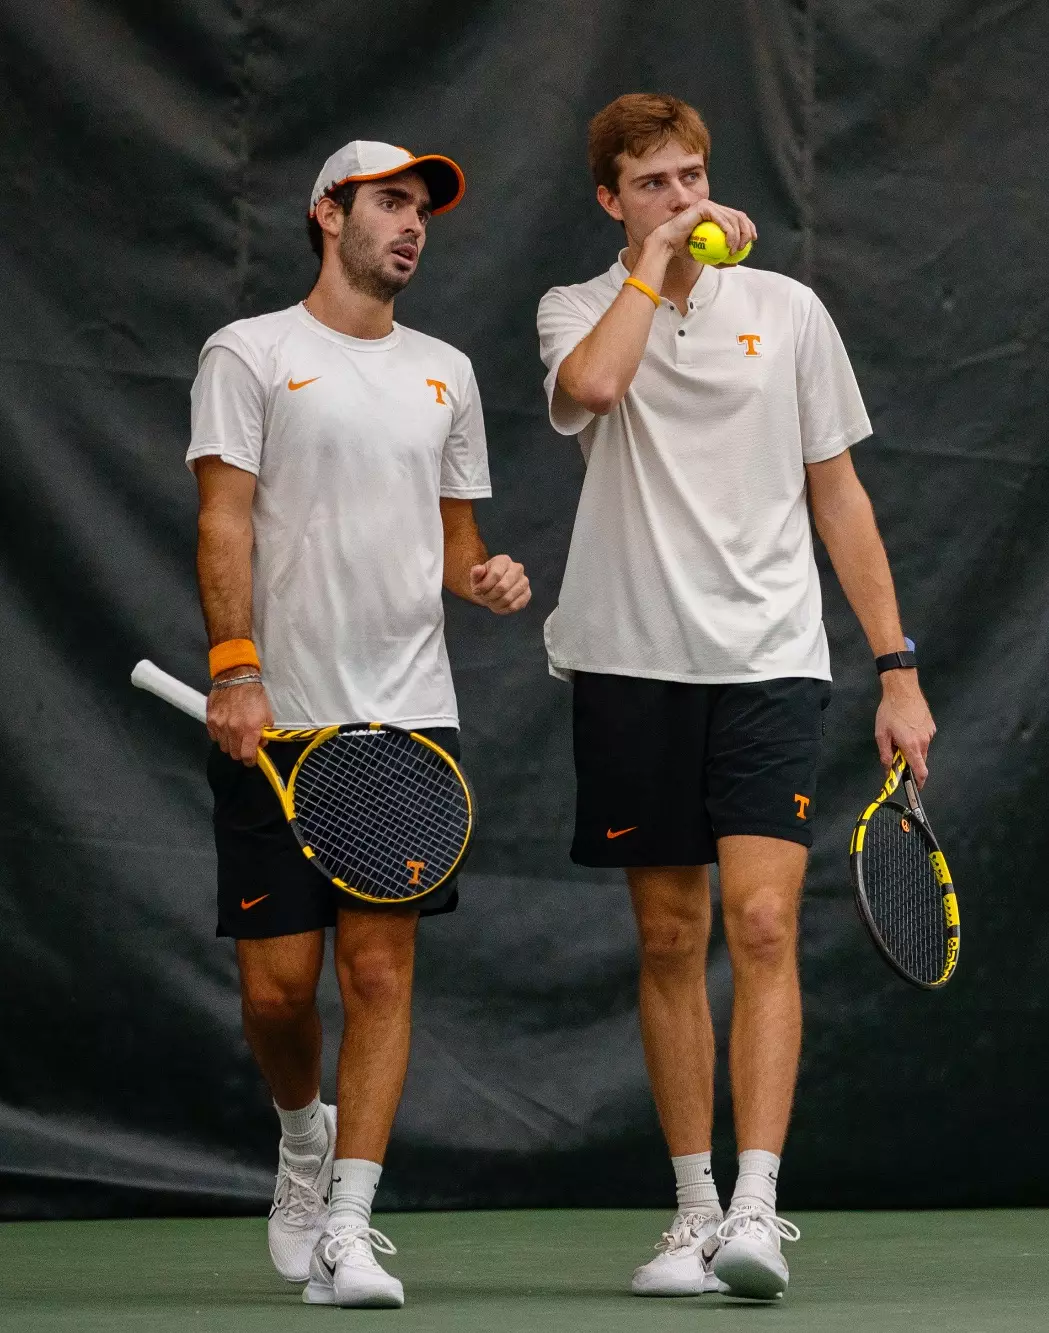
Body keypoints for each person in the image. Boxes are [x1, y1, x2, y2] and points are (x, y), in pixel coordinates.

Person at [536, 93, 936, 1301]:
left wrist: (897, 666)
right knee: (668, 935)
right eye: (653, 184)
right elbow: (598, 389)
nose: (683, 199)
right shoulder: (574, 310)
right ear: (610, 198)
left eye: (695, 177)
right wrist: (657, 267)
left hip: (769, 658)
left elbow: (839, 495)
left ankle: (758, 1208)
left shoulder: (789, 312)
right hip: (627, 659)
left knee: (760, 925)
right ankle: (692, 1212)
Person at [187, 141, 531, 1309]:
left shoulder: (446, 370)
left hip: (406, 719)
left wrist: (483, 580)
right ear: (326, 214)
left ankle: (350, 1222)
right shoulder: (250, 353)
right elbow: (223, 520)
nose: (413, 223)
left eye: (423, 207)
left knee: (379, 972)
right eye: (390, 202)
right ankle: (301, 1138)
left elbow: (456, 547)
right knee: (280, 994)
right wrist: (236, 668)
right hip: (275, 718)